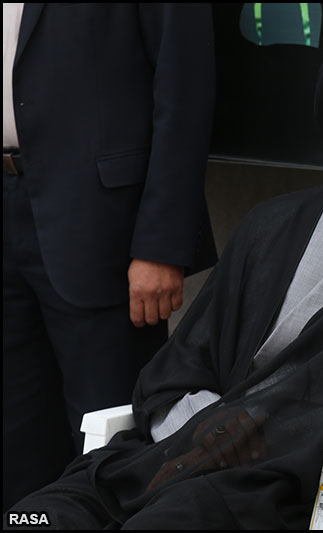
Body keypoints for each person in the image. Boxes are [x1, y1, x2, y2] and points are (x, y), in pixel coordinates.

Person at [4, 17, 323, 529]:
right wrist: (212, 434)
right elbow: (181, 366)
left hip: (292, 481)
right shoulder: (272, 224)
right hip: (181, 455)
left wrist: (261, 430)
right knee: (38, 515)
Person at [2, 3, 217, 511]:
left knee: (106, 442)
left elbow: (184, 89)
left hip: (102, 229)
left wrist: (161, 245)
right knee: (14, 437)